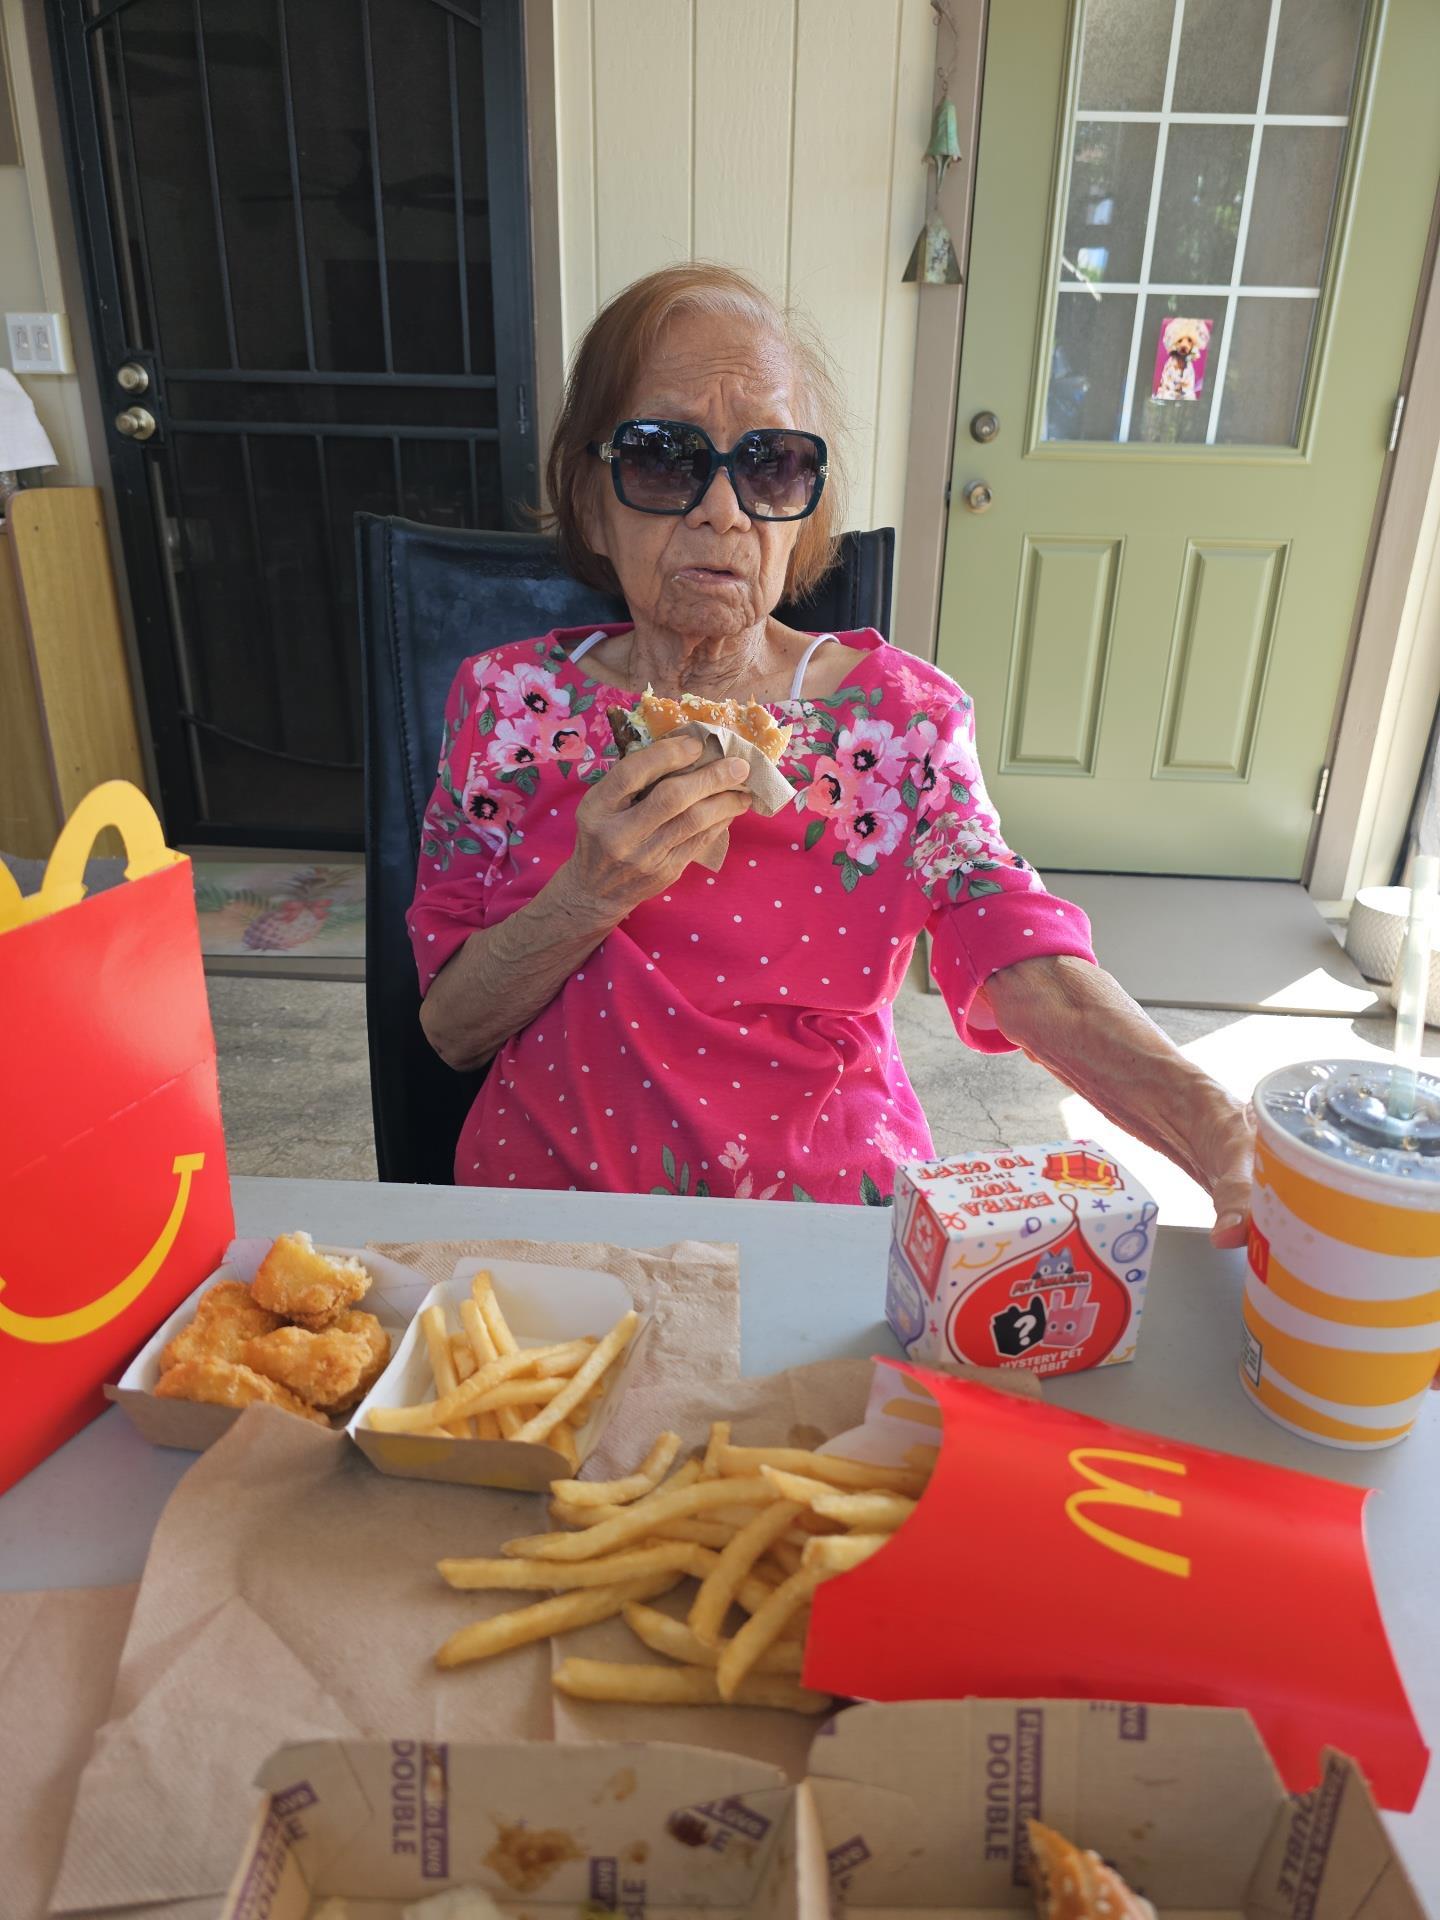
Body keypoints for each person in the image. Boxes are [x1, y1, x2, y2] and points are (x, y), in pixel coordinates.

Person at [409, 264, 1253, 1237]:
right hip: (551, 1209)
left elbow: (1018, 948)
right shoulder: (506, 708)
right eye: (662, 457)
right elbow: (451, 1030)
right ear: (592, 499)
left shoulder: (900, 724)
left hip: (825, 1214)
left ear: (804, 507)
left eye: (768, 464)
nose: (721, 511)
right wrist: (587, 894)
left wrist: (1217, 1130)